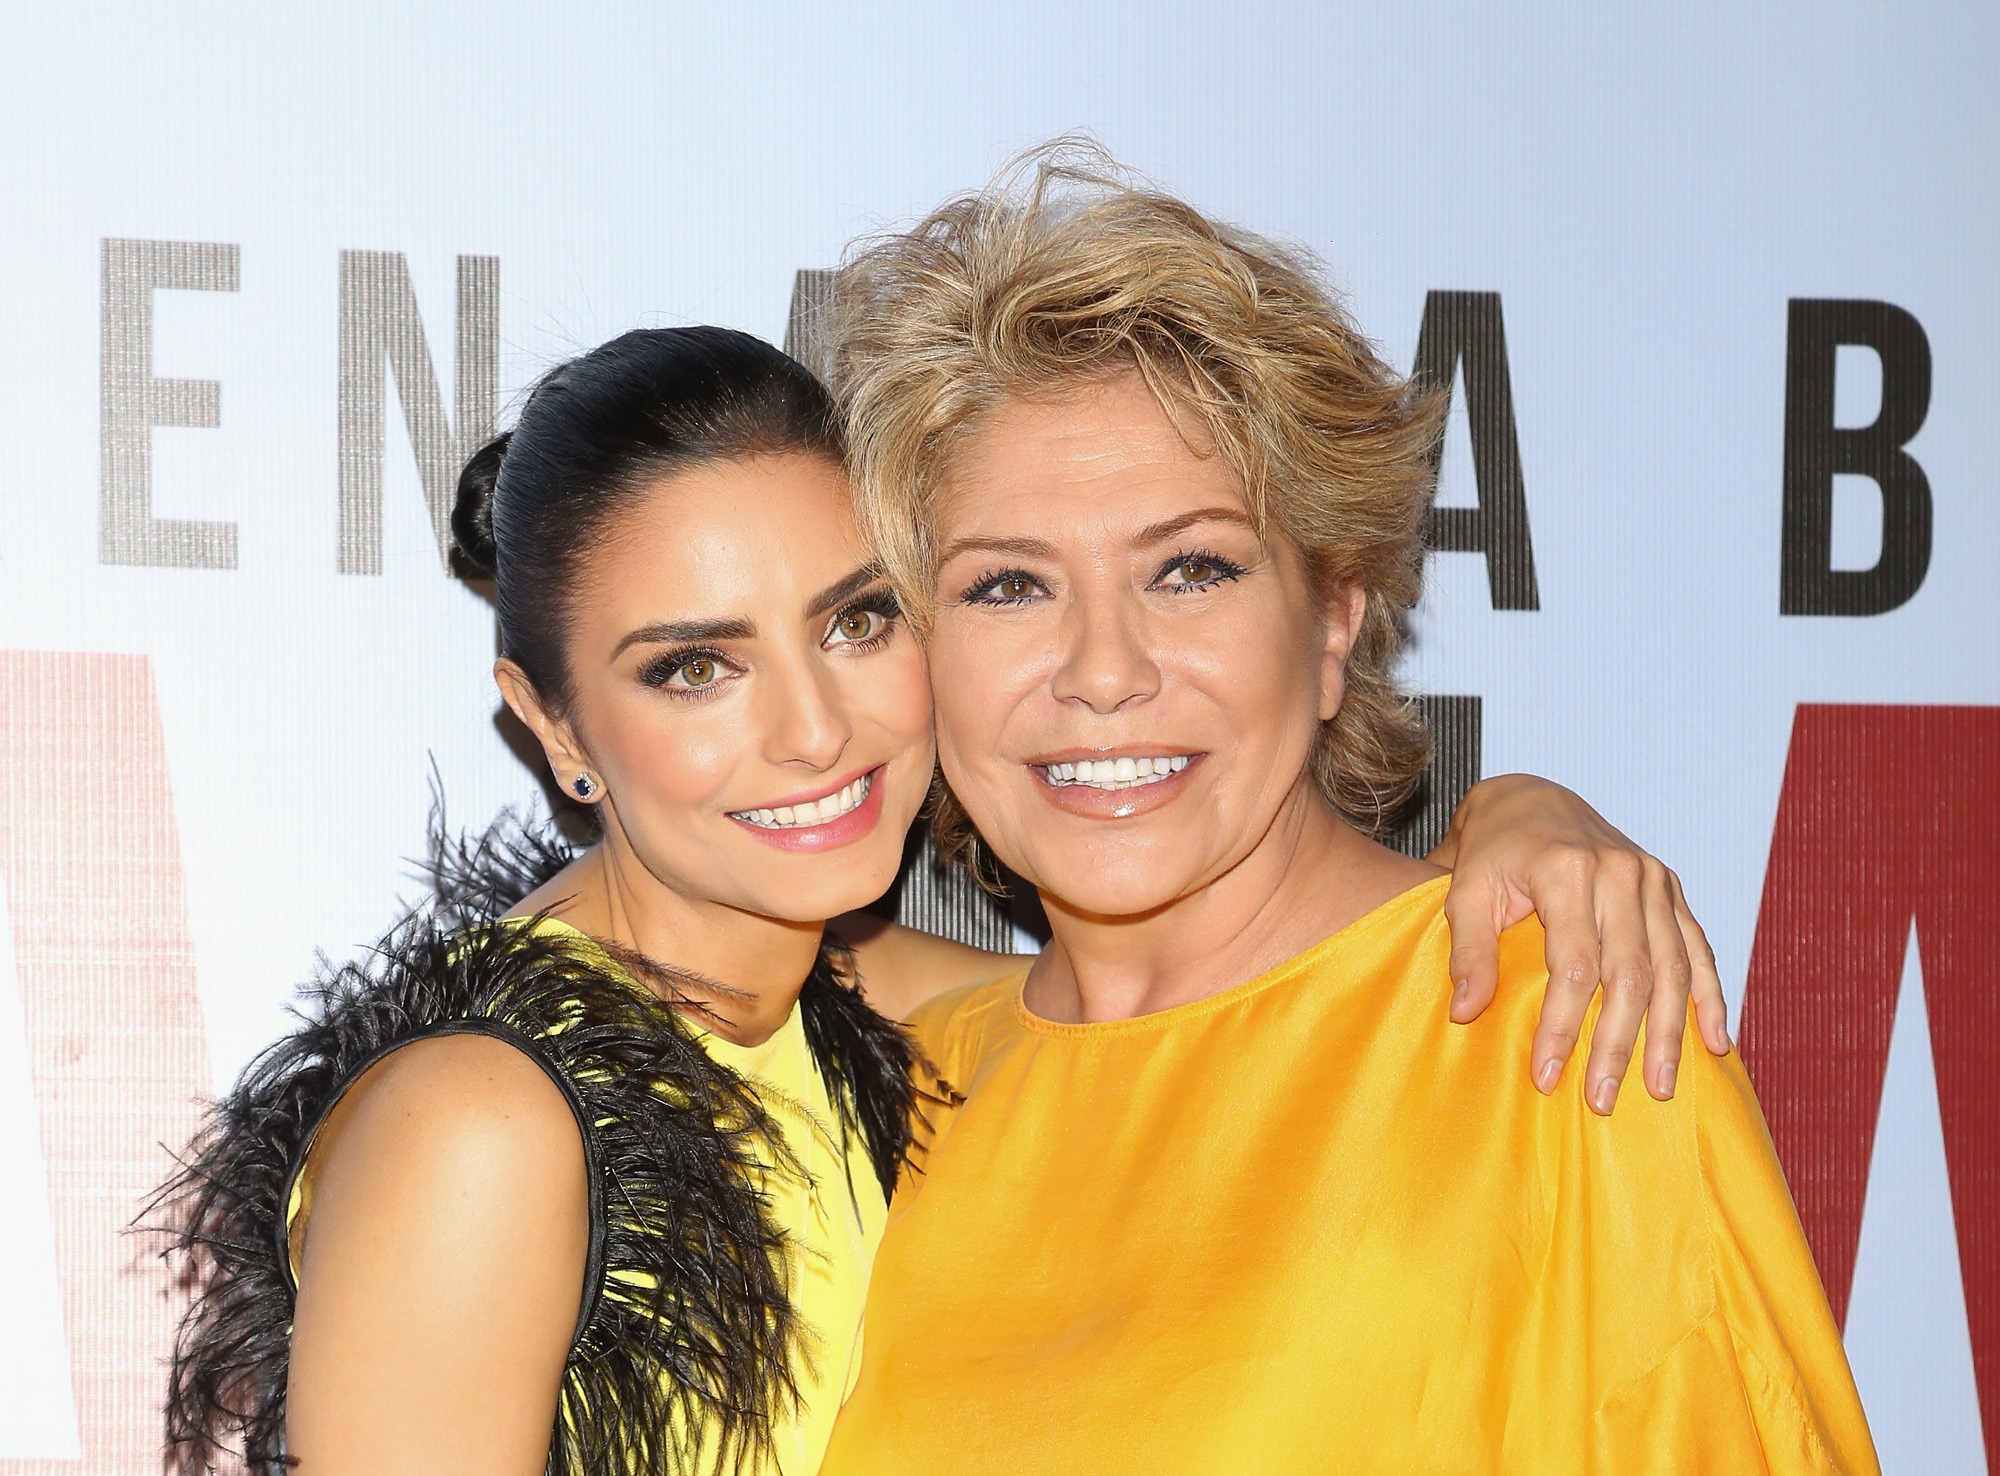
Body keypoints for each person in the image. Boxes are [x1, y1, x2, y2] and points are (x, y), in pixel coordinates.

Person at [162, 325, 1725, 1476]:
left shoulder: (892, 1011)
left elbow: (1233, 993)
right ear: (553, 723)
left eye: (855, 621)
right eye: (694, 667)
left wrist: (1525, 820)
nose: (813, 730)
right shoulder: (481, 1131)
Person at [816, 150, 1878, 1473]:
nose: (1102, 669)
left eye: (1191, 568)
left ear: (1333, 621)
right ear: (917, 654)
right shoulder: (896, 1098)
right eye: (1008, 588)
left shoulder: (1557, 1023)